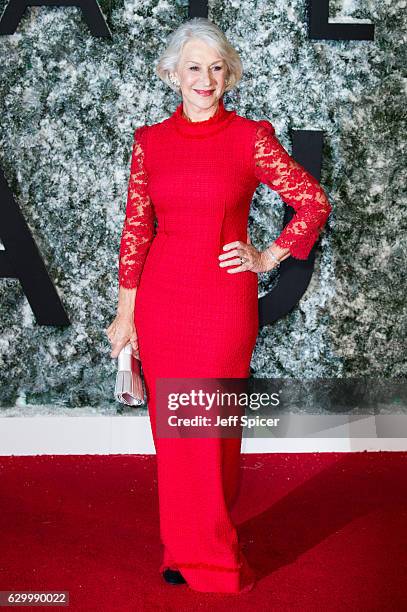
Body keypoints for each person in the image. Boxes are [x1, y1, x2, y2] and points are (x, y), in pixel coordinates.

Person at [106, 17, 332, 594]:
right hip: (161, 302)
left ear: (227, 74)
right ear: (172, 75)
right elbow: (136, 232)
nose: (204, 78)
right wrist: (126, 314)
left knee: (210, 431)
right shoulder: (149, 143)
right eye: (192, 67)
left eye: (214, 67)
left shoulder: (250, 136)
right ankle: (183, 548)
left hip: (222, 305)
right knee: (173, 433)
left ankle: (212, 552)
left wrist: (268, 256)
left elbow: (311, 200)